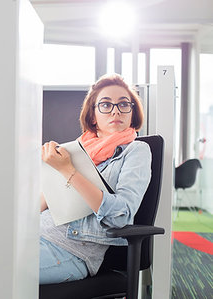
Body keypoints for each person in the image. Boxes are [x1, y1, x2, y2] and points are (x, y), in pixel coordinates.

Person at [39, 73, 152, 284]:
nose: (116, 110)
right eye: (106, 105)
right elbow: (42, 205)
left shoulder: (136, 150)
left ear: (131, 112)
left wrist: (69, 172)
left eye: (123, 104)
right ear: (93, 116)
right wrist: (50, 171)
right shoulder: (75, 149)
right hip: (36, 235)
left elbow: (120, 216)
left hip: (71, 251)